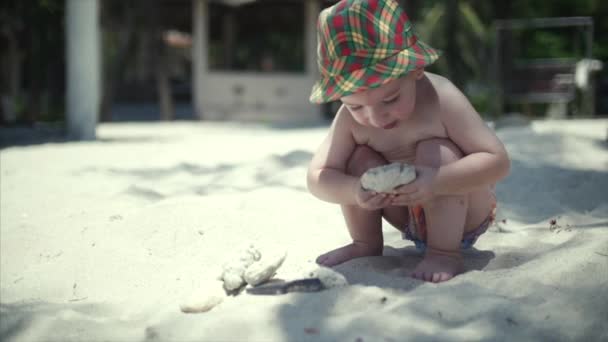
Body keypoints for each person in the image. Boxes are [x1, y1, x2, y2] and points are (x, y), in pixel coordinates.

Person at [306, 0, 510, 283]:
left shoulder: (441, 99)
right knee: (359, 159)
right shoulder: (350, 120)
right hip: (404, 214)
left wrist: (437, 180)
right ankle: (366, 244)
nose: (375, 118)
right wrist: (355, 191)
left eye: (390, 99)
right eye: (356, 106)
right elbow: (318, 177)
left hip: (463, 214)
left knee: (435, 149)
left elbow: (497, 162)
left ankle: (444, 252)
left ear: (415, 70)